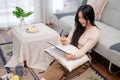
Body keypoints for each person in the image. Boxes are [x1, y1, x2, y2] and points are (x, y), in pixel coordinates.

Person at [41, 4, 100, 80]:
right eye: (79, 18)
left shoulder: (95, 34)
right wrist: (64, 41)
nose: (80, 20)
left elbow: (82, 51)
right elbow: (69, 40)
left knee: (65, 70)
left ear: (90, 17)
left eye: (83, 18)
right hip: (71, 50)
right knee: (60, 64)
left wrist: (74, 56)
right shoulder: (77, 25)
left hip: (83, 56)